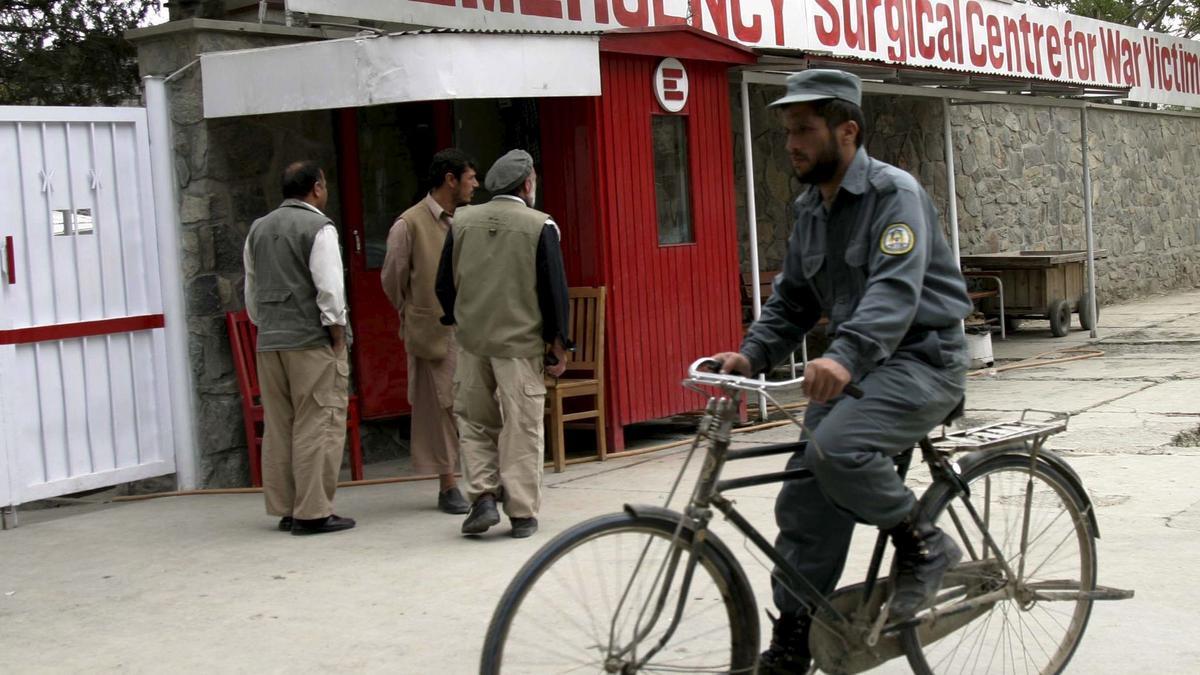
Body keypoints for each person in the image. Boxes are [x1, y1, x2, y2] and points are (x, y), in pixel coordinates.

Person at [707, 70, 972, 672]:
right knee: (803, 499)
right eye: (787, 133)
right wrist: (750, 354)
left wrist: (842, 356)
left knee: (835, 449)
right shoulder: (812, 209)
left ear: (847, 131)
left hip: (923, 361)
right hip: (860, 369)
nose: (792, 143)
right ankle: (795, 637)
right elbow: (794, 300)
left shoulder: (894, 195)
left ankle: (925, 545)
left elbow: (893, 293)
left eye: (804, 129)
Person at [435, 149, 571, 539]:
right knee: (522, 426)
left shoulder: (461, 221)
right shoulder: (541, 225)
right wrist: (558, 342)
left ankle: (482, 498)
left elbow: (444, 283)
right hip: (520, 345)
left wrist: (458, 319)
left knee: (474, 422)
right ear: (527, 184)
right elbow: (553, 292)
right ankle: (523, 513)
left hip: (473, 341)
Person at [244, 160, 356, 536]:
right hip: (310, 341)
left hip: (270, 340)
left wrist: (266, 325)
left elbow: (252, 289)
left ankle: (287, 508)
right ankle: (313, 511)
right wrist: (337, 336)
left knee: (280, 426)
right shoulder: (319, 227)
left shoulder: (258, 229)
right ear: (317, 187)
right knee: (319, 422)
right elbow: (329, 289)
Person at [381, 149, 479, 515]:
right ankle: (448, 483)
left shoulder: (467, 220)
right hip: (432, 331)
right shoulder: (409, 224)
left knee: (472, 403)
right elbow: (392, 279)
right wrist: (413, 311)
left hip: (471, 329)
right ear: (450, 179)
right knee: (439, 407)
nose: (475, 185)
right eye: (470, 178)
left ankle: (480, 479)